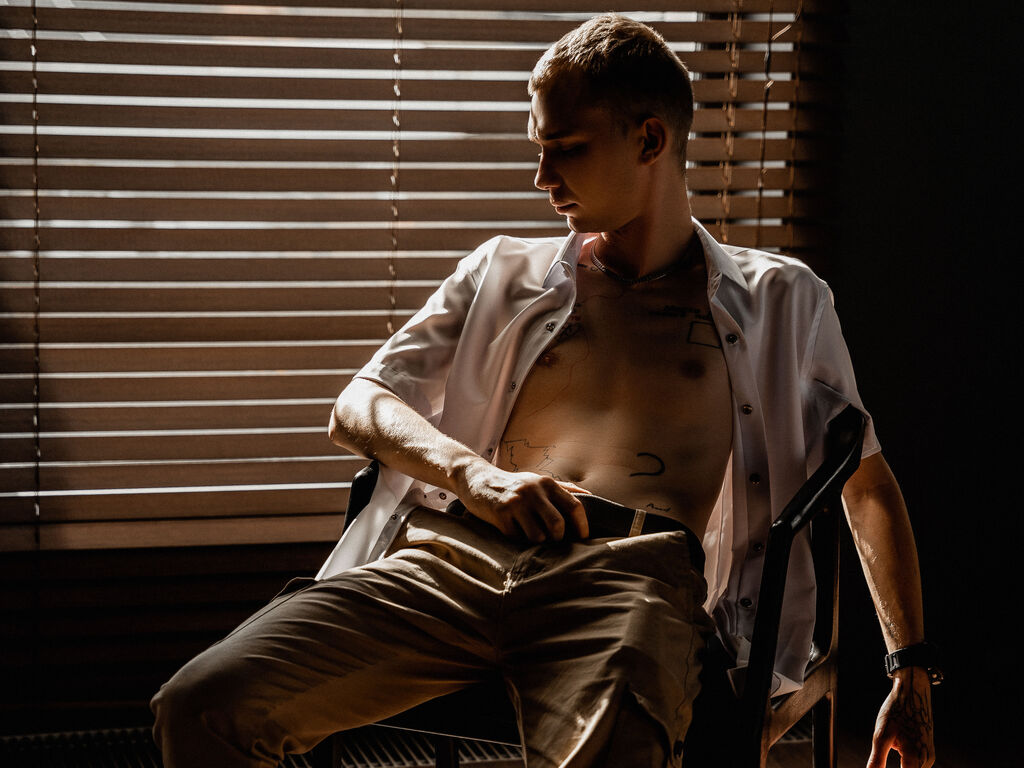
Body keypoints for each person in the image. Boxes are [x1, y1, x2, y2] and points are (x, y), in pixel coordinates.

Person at [151, 14, 936, 768]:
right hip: (452, 558)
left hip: (630, 577)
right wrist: (475, 477)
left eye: (565, 149)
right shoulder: (502, 271)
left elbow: (864, 486)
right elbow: (359, 404)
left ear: (650, 141)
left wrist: (909, 671)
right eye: (539, 149)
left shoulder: (781, 301)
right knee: (202, 704)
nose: (541, 177)